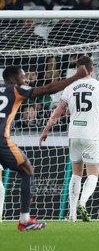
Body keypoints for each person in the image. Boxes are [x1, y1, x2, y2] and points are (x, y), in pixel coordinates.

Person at [1, 62, 89, 230]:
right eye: (22, 75)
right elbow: (48, 89)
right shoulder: (16, 89)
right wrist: (76, 76)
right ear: (13, 79)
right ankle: (24, 220)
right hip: (1, 141)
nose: (26, 79)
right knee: (27, 170)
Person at [39, 56, 99, 222]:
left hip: (74, 133)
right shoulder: (98, 85)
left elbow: (58, 112)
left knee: (76, 173)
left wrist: (46, 130)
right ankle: (83, 203)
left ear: (78, 70)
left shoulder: (70, 86)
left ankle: (72, 213)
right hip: (91, 134)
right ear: (92, 69)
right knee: (93, 174)